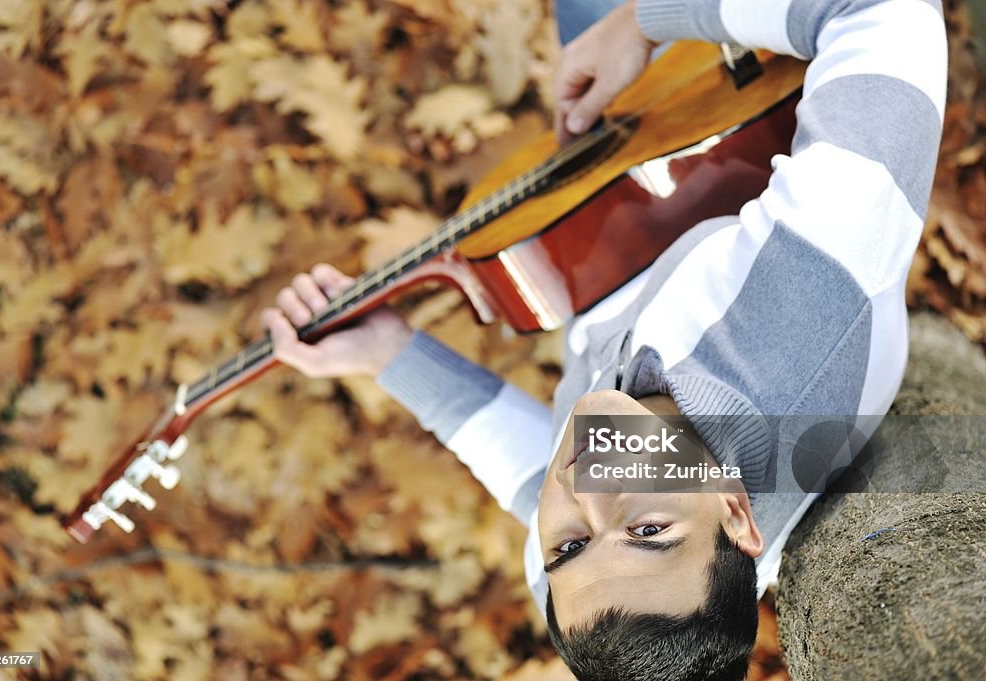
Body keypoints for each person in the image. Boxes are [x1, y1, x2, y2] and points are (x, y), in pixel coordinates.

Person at [261, 0, 947, 678]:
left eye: (569, 542)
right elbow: (879, 9)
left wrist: (389, 354)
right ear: (737, 513)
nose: (586, 491)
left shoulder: (593, 599)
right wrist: (642, 23)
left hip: (600, 239)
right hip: (703, 140)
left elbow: (534, 476)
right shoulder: (811, 295)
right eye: (648, 529)